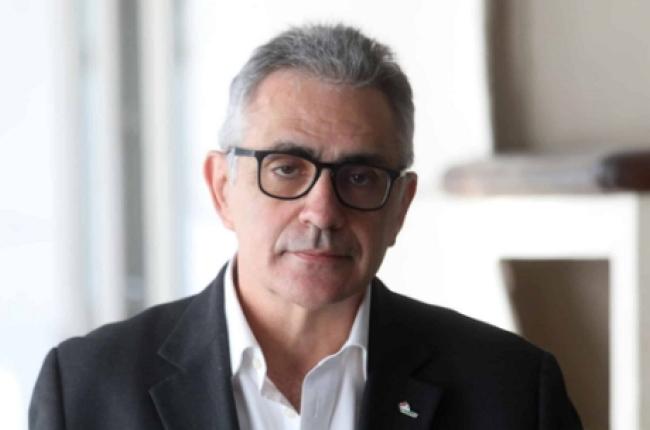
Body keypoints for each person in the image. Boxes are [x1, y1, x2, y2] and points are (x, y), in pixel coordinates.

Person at [29, 24, 582, 429]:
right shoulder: (86, 389)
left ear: (401, 206)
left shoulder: (511, 392)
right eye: (287, 169)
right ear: (222, 188)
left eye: (359, 177)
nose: (322, 212)